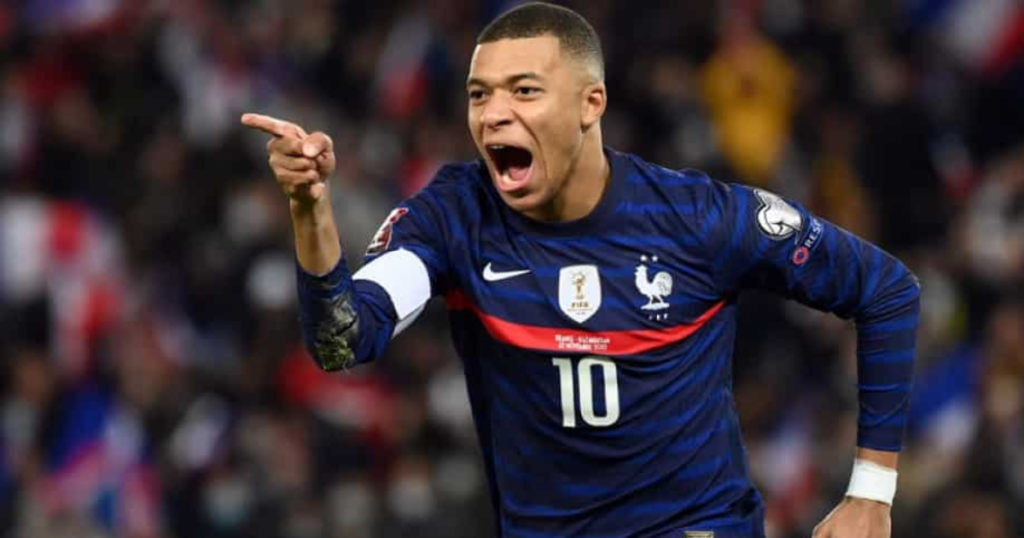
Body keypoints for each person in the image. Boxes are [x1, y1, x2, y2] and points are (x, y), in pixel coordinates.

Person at [241, 3, 919, 537]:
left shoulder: (697, 218)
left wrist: (871, 493)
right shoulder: (455, 218)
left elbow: (886, 290)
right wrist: (309, 207)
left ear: (590, 103)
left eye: (524, 91)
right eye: (479, 95)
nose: (494, 114)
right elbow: (342, 339)